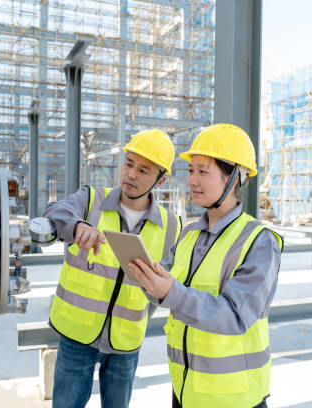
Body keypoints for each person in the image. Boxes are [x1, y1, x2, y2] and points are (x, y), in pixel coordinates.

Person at [129, 123, 283, 408]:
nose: (192, 181)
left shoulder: (259, 242)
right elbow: (164, 291)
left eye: (203, 171)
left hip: (234, 399)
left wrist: (170, 291)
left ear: (235, 178)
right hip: (186, 391)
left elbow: (235, 316)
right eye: (190, 170)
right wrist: (145, 277)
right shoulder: (189, 235)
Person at [42, 128, 182, 408]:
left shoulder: (171, 227)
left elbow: (164, 289)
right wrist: (78, 226)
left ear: (160, 179)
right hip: (76, 334)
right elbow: (53, 212)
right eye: (129, 163)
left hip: (125, 341)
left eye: (143, 170)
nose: (131, 174)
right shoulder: (91, 200)